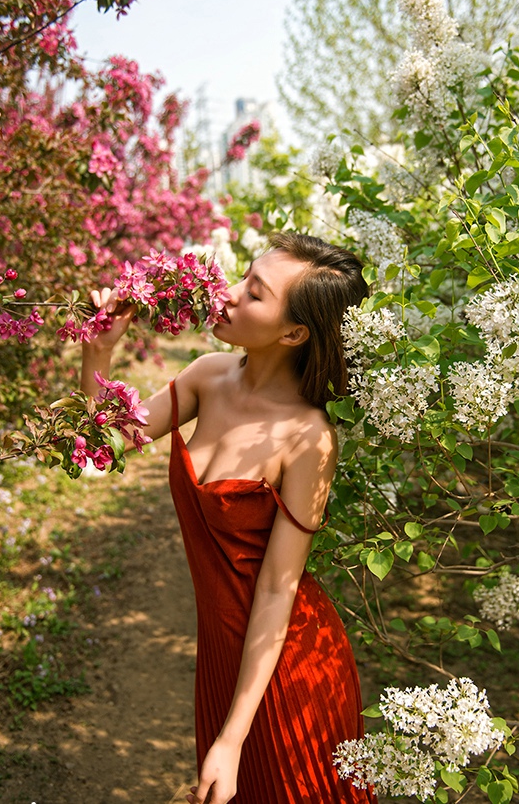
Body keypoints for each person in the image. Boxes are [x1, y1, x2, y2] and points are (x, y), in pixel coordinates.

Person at [81, 232, 377, 804]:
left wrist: (233, 738)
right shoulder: (207, 375)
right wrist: (99, 350)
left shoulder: (308, 438)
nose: (231, 293)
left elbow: (275, 589)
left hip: (288, 670)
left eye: (255, 293)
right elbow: (103, 445)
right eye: (243, 275)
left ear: (294, 333)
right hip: (221, 655)